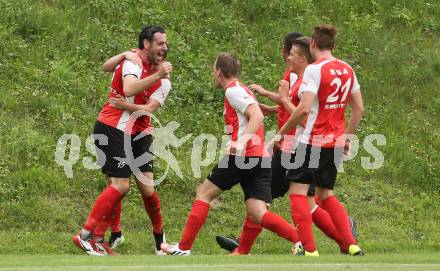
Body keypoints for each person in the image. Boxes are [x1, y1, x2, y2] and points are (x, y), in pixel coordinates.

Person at [217, 37, 355, 256]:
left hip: (295, 148)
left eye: (291, 52)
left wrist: (280, 126)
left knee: (261, 198)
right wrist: (274, 104)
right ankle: (346, 239)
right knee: (310, 203)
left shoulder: (305, 80)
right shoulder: (303, 78)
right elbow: (297, 109)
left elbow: (304, 116)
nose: (287, 56)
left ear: (301, 56)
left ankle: (251, 247)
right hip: (306, 146)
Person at [161, 52, 303, 256]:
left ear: (218, 71)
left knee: (204, 193)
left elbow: (257, 116)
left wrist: (241, 141)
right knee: (257, 212)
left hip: (243, 156)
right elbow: (256, 112)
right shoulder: (241, 89)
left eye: (213, 69)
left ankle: (183, 248)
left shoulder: (233, 91)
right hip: (260, 158)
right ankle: (301, 240)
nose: (213, 73)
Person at [72, 25, 172, 256]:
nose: (164, 48)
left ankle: (160, 241)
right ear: (146, 44)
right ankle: (87, 235)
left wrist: (129, 104)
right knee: (119, 185)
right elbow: (127, 87)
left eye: (166, 44)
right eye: (160, 44)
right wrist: (127, 57)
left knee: (146, 189)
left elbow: (148, 109)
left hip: (140, 132)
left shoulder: (164, 81)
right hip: (113, 127)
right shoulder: (133, 63)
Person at [277, 24, 364, 256]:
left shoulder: (315, 70)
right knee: (326, 194)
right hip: (334, 142)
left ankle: (310, 249)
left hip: (311, 141)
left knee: (297, 191)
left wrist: (282, 132)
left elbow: (304, 109)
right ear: (333, 46)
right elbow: (358, 109)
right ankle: (351, 244)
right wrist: (347, 137)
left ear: (313, 44)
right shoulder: (347, 69)